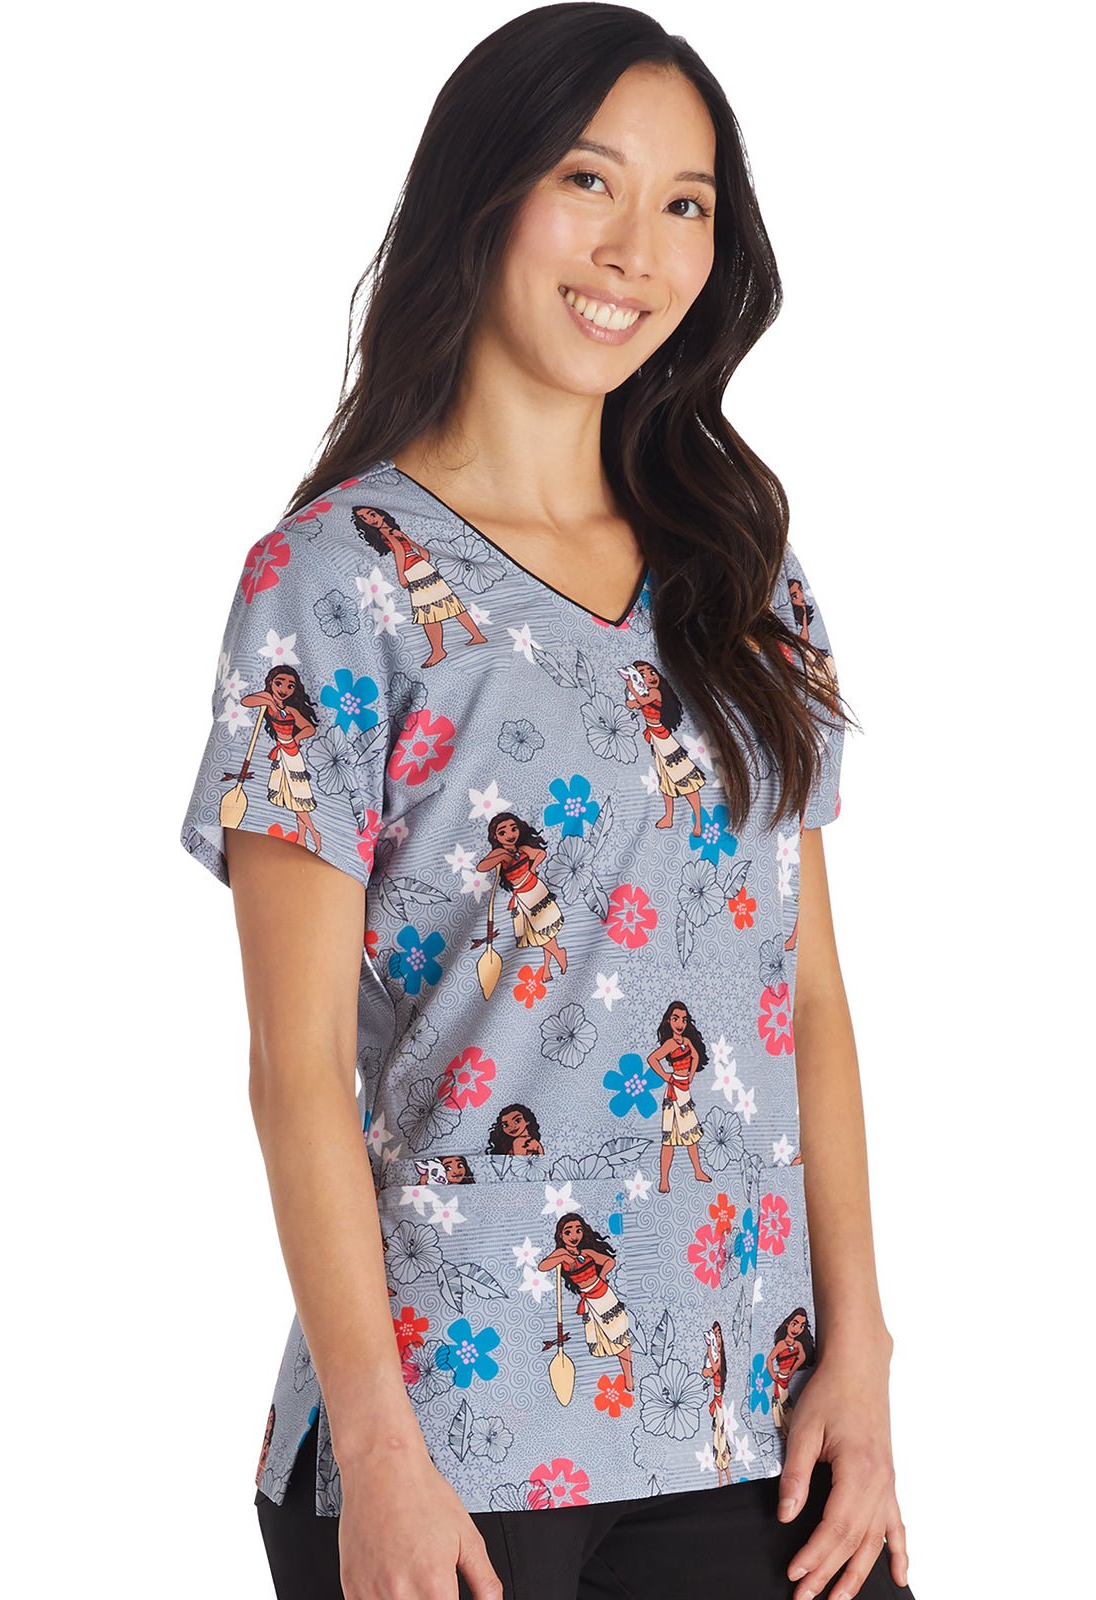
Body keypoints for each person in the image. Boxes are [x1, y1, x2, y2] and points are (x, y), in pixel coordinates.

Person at [178, 6, 916, 1599]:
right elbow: (294, 1069)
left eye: (685, 202)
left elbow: (805, 996)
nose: (635, 248)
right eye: (589, 180)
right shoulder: (334, 586)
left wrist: (861, 1351)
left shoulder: (743, 572)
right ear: (486, 190)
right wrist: (378, 1449)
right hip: (456, 1440)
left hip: (758, 1418)